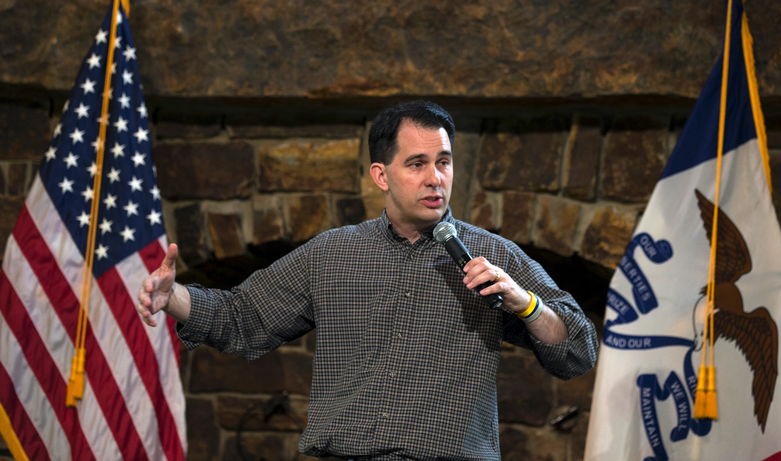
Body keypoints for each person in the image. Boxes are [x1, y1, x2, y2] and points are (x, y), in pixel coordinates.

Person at [138, 100, 598, 460]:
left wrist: (526, 304)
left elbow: (577, 349)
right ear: (382, 174)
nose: (435, 177)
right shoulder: (333, 253)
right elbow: (241, 318)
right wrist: (172, 295)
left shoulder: (493, 255)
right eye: (417, 163)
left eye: (444, 162)